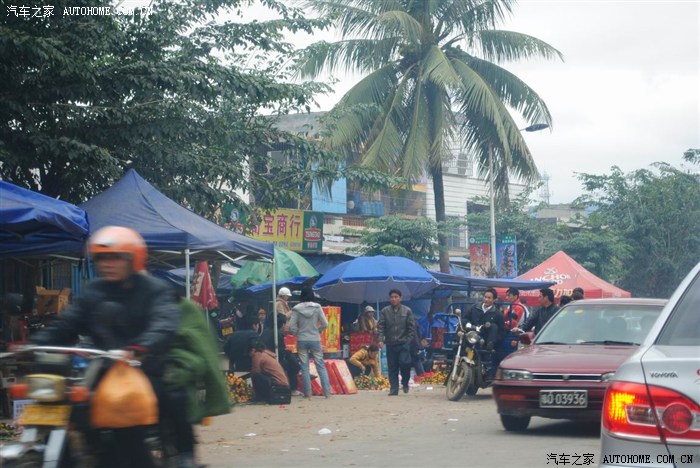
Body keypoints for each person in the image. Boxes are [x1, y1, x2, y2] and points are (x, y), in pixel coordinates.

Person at [30, 226, 192, 467]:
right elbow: (67, 323)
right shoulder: (93, 291)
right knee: (66, 405)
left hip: (143, 369)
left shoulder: (154, 290)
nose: (108, 264)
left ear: (133, 259)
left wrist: (140, 347)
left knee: (169, 398)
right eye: (103, 258)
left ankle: (183, 455)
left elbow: (164, 323)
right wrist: (32, 345)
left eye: (116, 257)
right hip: (101, 370)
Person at [288, 286, 332, 399]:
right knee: (320, 365)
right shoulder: (317, 307)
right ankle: (327, 393)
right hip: (315, 339)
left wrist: (297, 333)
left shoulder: (296, 309)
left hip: (302, 339)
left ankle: (308, 394)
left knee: (304, 367)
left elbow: (291, 326)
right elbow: (325, 324)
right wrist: (318, 331)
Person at [377, 289, 416, 396]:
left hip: (403, 343)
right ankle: (394, 389)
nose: (394, 299)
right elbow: (381, 327)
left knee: (405, 363)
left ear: (400, 298)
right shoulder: (385, 311)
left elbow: (411, 328)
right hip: (390, 344)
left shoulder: (407, 311)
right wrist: (380, 339)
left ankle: (405, 382)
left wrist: (408, 340)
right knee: (392, 367)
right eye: (392, 297)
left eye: (396, 297)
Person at [260, 312, 301, 396]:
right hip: (274, 359)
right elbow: (281, 353)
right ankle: (293, 388)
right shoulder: (277, 334)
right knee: (293, 364)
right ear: (282, 324)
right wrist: (288, 352)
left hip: (264, 357)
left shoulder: (265, 332)